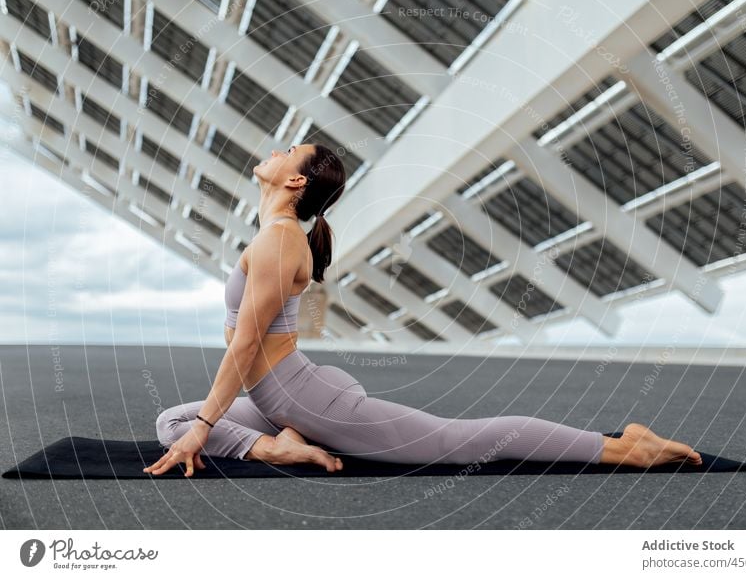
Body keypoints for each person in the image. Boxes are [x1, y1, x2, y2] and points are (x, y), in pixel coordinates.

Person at [143, 144, 703, 477]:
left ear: (294, 180)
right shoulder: (277, 235)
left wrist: (209, 427)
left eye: (290, 150)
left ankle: (628, 450)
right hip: (284, 397)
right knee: (173, 424)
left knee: (453, 442)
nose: (277, 149)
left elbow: (245, 344)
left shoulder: (279, 241)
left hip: (304, 396)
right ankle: (284, 447)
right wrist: (204, 428)